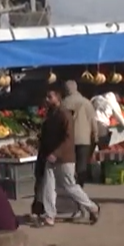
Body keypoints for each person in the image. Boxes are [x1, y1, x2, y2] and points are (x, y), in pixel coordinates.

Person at [39, 89, 100, 226]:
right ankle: (50, 215)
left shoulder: (64, 114)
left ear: (58, 98)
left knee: (69, 185)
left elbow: (68, 138)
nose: (47, 99)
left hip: (64, 157)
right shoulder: (51, 114)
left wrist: (57, 153)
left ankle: (92, 207)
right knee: (48, 185)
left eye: (50, 97)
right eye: (46, 97)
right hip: (50, 156)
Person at [62, 81, 99, 185]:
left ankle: (70, 185)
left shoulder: (63, 103)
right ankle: (80, 186)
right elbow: (93, 121)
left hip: (68, 139)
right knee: (82, 165)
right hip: (84, 139)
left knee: (69, 165)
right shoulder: (86, 102)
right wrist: (95, 135)